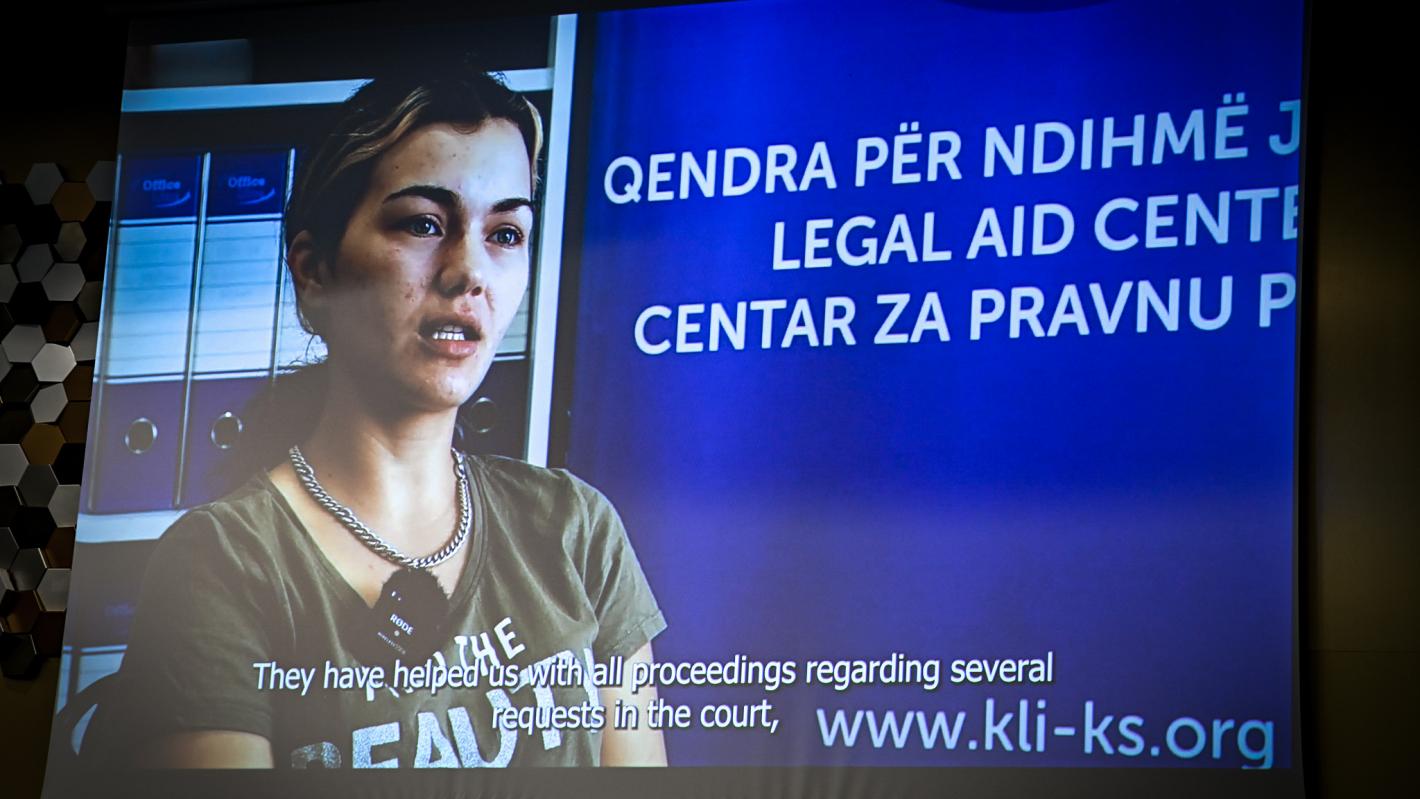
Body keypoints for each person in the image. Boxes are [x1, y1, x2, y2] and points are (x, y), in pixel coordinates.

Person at [97, 65, 667, 769]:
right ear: (315, 273)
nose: (470, 272)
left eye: (505, 233)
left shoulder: (577, 531)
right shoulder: (220, 564)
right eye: (424, 224)